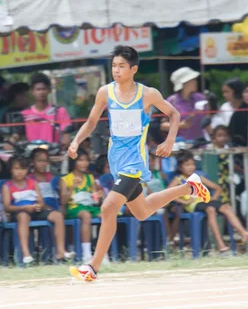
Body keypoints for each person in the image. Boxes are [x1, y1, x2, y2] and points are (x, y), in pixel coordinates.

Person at [68, 46, 210, 282]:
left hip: (135, 160)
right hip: (116, 160)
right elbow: (92, 122)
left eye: (121, 66)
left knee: (108, 208)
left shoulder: (148, 94)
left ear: (133, 69)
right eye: (114, 65)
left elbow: (174, 114)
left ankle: (92, 267)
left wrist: (170, 140)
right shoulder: (105, 92)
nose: (116, 70)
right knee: (142, 211)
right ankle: (190, 187)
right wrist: (76, 140)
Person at [168, 151, 248, 252]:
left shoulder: (199, 177)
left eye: (192, 164)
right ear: (180, 167)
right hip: (193, 205)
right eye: (187, 165)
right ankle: (221, 244)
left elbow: (217, 188)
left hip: (206, 202)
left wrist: (214, 197)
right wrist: (184, 202)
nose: (191, 167)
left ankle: (243, 233)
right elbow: (168, 194)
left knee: (225, 207)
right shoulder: (178, 179)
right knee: (211, 208)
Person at [1, 155, 70, 264]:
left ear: (27, 170)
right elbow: (7, 207)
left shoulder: (33, 183)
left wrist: (39, 206)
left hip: (35, 210)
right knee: (23, 216)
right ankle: (26, 254)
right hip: (19, 211)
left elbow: (41, 201)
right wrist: (24, 208)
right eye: (16, 169)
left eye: (23, 169)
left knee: (58, 216)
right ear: (11, 170)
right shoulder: (7, 186)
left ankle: (60, 251)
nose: (20, 172)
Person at [29, 147, 74, 262]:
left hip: (53, 207)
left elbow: (57, 194)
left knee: (65, 215)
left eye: (45, 161)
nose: (42, 164)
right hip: (40, 208)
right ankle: (60, 252)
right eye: (39, 161)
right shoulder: (30, 178)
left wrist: (62, 206)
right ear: (32, 162)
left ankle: (70, 248)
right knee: (58, 217)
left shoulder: (51, 177)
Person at [60, 150, 102, 263]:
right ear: (73, 161)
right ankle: (87, 254)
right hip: (73, 208)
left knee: (105, 216)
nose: (84, 163)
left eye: (86, 160)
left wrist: (98, 196)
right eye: (81, 160)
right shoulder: (65, 179)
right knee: (86, 216)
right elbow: (63, 202)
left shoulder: (90, 178)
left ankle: (103, 252)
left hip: (89, 206)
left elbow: (95, 200)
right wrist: (72, 187)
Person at [21, 73, 72, 146]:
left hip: (55, 154)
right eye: (38, 89)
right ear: (32, 92)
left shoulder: (59, 111)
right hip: (33, 154)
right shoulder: (25, 114)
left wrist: (64, 143)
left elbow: (66, 137)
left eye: (44, 89)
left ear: (49, 90)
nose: (41, 92)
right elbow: (16, 135)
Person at [161, 67, 206, 142]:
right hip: (179, 145)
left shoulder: (200, 98)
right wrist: (181, 126)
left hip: (200, 143)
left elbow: (207, 121)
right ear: (184, 83)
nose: (196, 82)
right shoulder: (172, 101)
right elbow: (163, 125)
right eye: (192, 80)